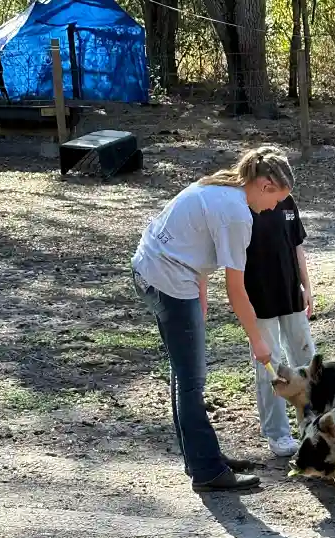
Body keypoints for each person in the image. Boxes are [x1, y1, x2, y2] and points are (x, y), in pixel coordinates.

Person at [132, 145, 294, 492]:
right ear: (266, 185)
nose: (276, 207)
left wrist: (200, 296)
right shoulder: (237, 214)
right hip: (167, 278)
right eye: (277, 198)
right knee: (191, 381)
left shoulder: (223, 187)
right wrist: (259, 342)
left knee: (184, 373)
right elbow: (237, 290)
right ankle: (207, 471)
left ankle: (203, 457)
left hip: (157, 269)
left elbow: (195, 242)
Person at [244, 196, 315, 456]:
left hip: (291, 294)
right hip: (259, 297)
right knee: (269, 364)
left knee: (306, 357)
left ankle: (313, 423)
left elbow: (297, 245)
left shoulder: (287, 202)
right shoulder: (244, 204)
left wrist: (306, 286)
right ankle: (277, 433)